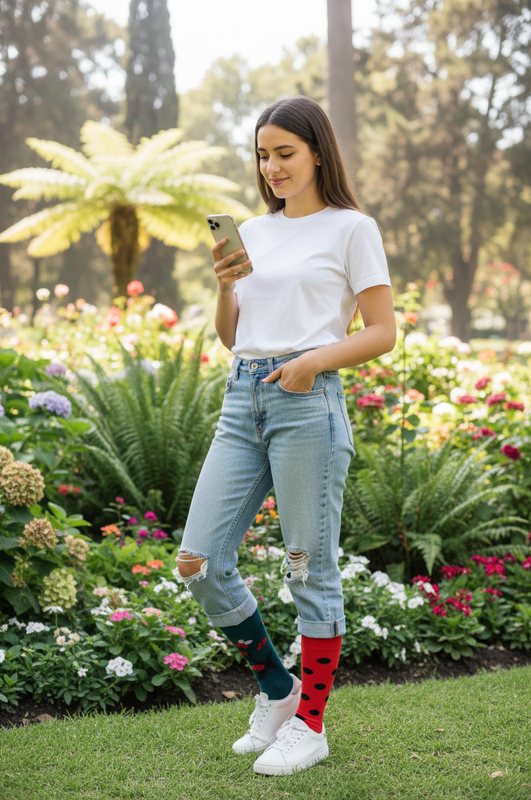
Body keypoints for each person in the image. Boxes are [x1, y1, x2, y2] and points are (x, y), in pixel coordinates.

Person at [175, 95, 396, 776]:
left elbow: (382, 332)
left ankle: (311, 724)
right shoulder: (252, 230)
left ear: (317, 152)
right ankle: (277, 688)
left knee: (307, 567)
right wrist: (222, 287)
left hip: (308, 406)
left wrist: (312, 361)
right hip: (241, 402)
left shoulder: (351, 228)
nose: (271, 166)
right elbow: (233, 334)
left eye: (284, 153)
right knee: (199, 563)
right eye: (263, 154)